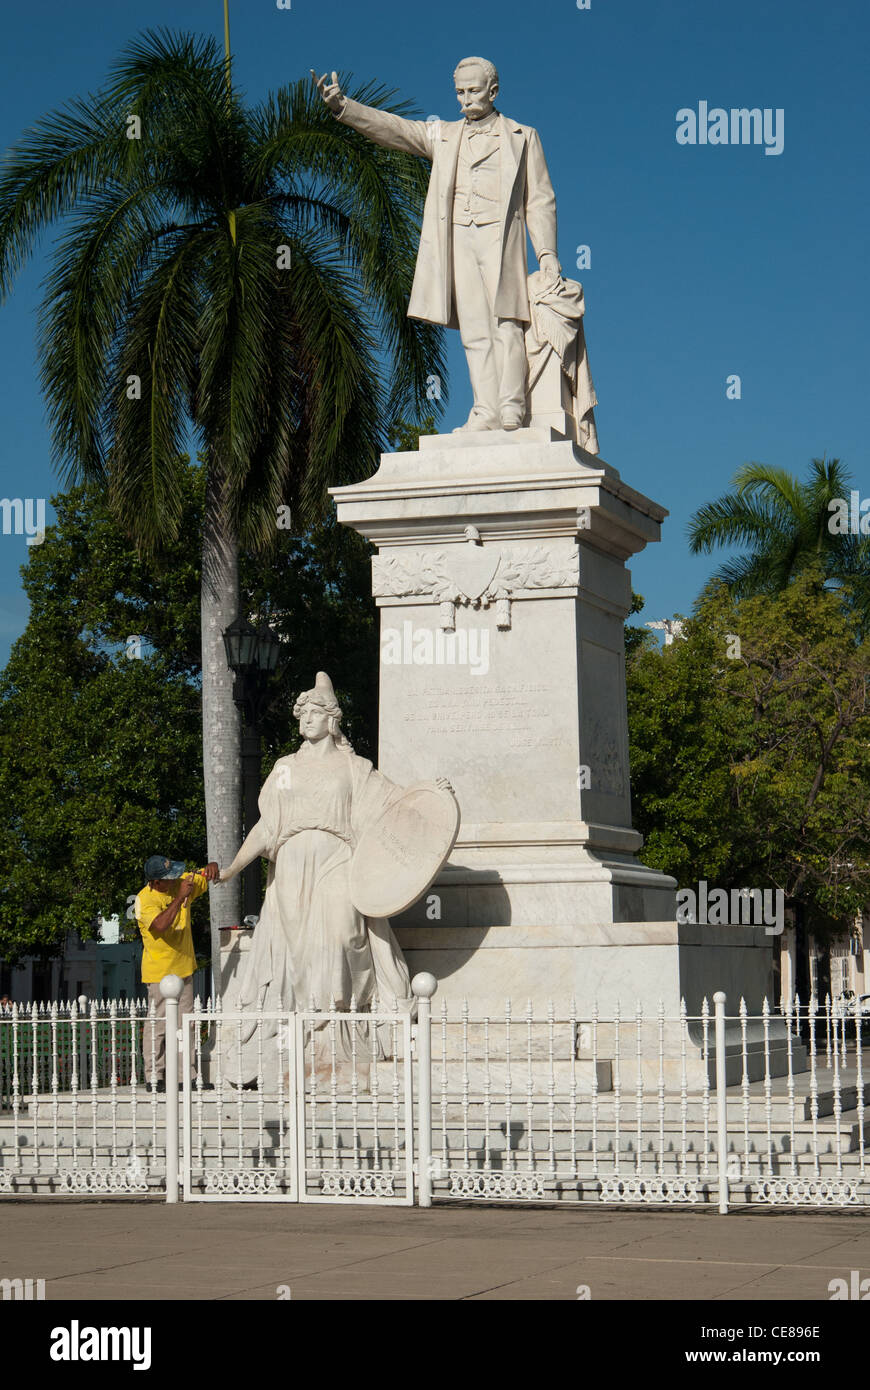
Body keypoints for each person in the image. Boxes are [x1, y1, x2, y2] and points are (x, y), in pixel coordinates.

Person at [219, 672, 451, 1077]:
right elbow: (266, 826)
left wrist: (433, 792)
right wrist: (233, 869)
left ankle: (343, 1038)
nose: (306, 719)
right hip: (291, 866)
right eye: (302, 713)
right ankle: (308, 1042)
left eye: (314, 712)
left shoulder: (354, 768)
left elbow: (398, 806)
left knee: (342, 935)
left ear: (332, 719)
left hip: (338, 858)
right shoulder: (285, 769)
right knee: (298, 954)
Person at [312, 57, 560, 432]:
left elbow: (540, 199)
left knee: (507, 322)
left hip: (500, 236)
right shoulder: (443, 135)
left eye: (473, 91)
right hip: (460, 235)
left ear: (493, 91)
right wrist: (344, 108)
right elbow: (394, 129)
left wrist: (547, 253)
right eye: (459, 92)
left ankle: (512, 406)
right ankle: (485, 409)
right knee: (476, 329)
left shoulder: (523, 137)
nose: (465, 99)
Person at [134, 855, 219, 1091]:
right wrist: (181, 896)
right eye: (169, 879)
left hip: (184, 969)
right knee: (159, 1025)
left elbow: (205, 874)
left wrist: (212, 867)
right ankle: (155, 1077)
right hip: (159, 973)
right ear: (156, 882)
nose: (175, 881)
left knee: (187, 1025)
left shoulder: (181, 882)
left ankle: (187, 1077)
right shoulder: (144, 899)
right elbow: (160, 926)